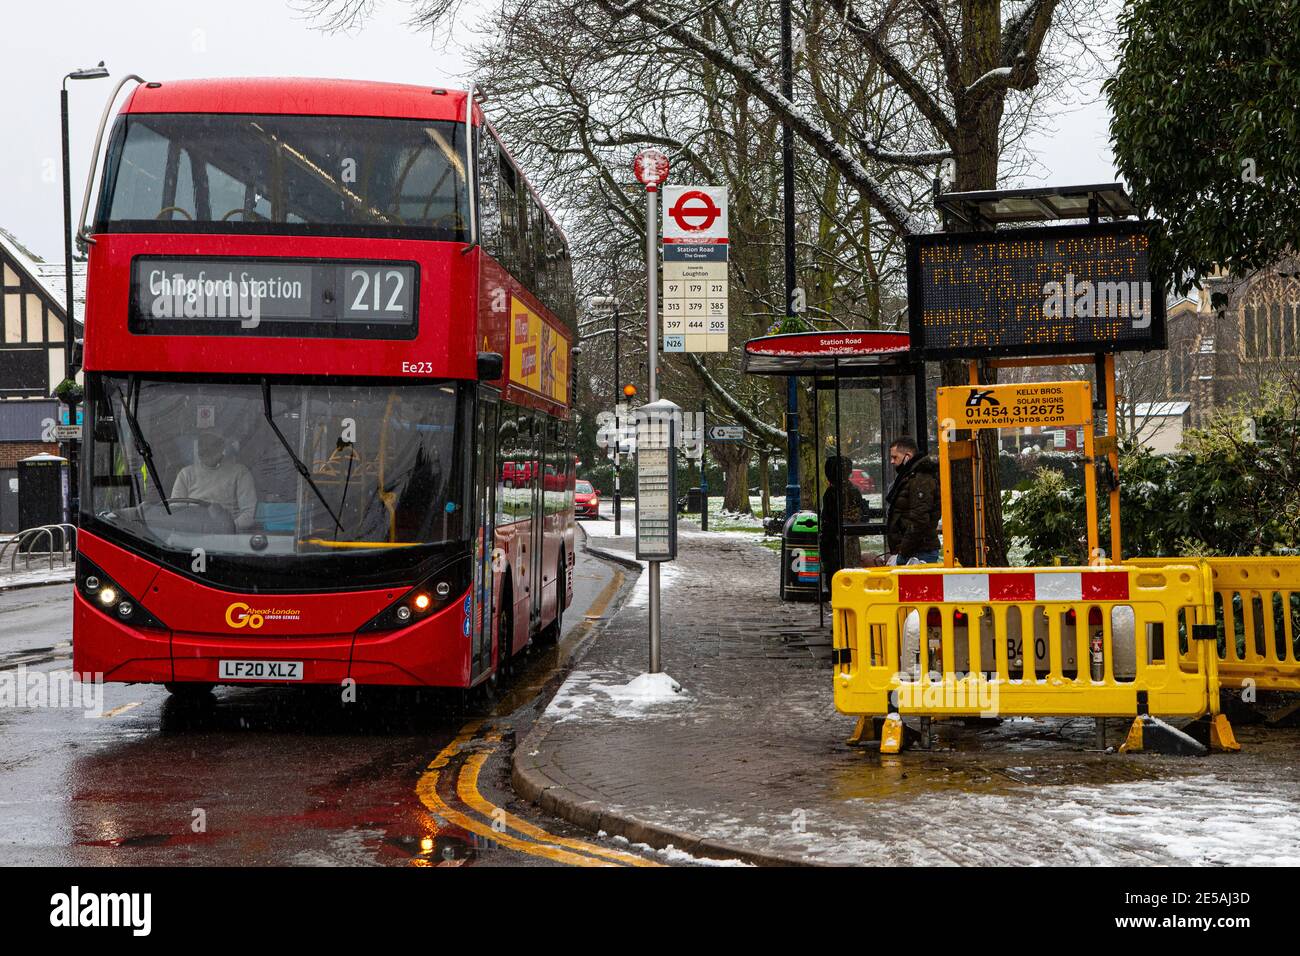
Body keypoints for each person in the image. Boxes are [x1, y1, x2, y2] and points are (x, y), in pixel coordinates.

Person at [171, 431, 258, 531]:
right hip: (192, 533)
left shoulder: (240, 472)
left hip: (227, 536)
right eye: (202, 445)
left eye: (211, 445)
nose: (205, 449)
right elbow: (176, 510)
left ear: (222, 447)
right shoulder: (185, 474)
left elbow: (249, 514)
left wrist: (226, 528)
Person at [884, 436, 941, 565]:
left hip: (918, 551)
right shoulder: (910, 477)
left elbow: (919, 518)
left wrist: (902, 551)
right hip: (914, 549)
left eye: (895, 457)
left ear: (907, 456)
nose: (892, 462)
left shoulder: (920, 479)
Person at [820, 455, 866, 593]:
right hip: (848, 541)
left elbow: (829, 520)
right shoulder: (853, 490)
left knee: (835, 576)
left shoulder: (832, 492)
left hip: (835, 541)